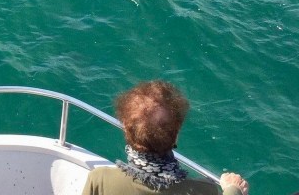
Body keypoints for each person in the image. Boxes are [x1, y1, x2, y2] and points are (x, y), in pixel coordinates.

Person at [81, 80, 249, 195]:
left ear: (126, 128)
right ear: (176, 135)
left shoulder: (100, 179)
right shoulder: (203, 190)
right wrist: (233, 189)